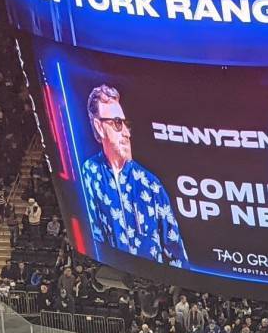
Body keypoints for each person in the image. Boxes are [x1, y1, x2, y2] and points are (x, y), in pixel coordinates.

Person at [78, 84, 187, 266]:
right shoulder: (90, 173)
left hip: (153, 282)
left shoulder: (151, 184)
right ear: (99, 127)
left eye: (126, 124)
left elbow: (176, 250)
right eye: (117, 123)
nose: (127, 133)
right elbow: (92, 234)